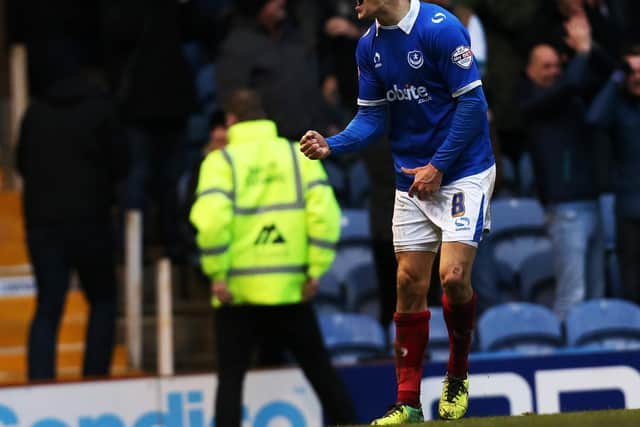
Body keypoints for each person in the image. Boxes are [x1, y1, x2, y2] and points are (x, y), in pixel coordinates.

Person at [300, 0, 495, 423]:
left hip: (462, 169)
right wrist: (332, 145)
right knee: (408, 282)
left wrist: (439, 165)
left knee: (454, 276)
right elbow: (372, 118)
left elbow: (473, 106)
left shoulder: (440, 28)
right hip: (411, 175)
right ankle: (408, 401)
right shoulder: (368, 45)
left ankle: (457, 374)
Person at [189, 89, 356, 427]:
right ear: (264, 116)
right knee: (321, 373)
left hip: (237, 292)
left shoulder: (220, 162)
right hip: (291, 286)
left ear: (231, 120)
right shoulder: (296, 156)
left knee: (231, 381)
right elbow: (325, 214)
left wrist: (216, 273)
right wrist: (315, 269)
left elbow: (210, 222)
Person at [16, 68, 124, 380]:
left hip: (43, 224)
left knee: (48, 306)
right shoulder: (101, 109)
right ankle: (95, 379)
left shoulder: (35, 112)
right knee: (102, 301)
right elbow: (121, 163)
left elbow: (21, 162)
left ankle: (39, 381)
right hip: (92, 221)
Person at [516, 38, 605, 318]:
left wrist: (592, 50)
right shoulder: (531, 102)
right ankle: (570, 354)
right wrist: (582, 52)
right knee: (572, 296)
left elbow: (606, 77)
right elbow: (569, 84)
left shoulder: (571, 98)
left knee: (597, 295)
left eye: (557, 65)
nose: (554, 71)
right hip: (565, 209)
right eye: (546, 66)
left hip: (592, 202)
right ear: (530, 71)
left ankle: (597, 355)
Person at [587, 46, 640, 305]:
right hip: (630, 209)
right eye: (631, 71)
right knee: (630, 277)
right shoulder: (619, 107)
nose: (637, 77)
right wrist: (616, 78)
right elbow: (595, 118)